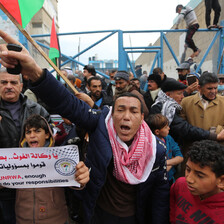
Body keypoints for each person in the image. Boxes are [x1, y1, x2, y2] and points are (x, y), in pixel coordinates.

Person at [0, 30, 170, 223]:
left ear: (141, 118)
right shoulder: (101, 124)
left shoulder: (156, 149)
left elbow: (160, 197)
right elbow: (68, 104)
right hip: (97, 214)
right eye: (120, 109)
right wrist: (36, 73)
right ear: (111, 114)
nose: (126, 117)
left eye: (133, 111)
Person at [17, 114, 89, 224]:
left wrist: (82, 177)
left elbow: (75, 182)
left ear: (46, 134)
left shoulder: (60, 156)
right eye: (28, 132)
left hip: (56, 219)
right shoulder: (15, 159)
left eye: (37, 131)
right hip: (23, 219)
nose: (32, 135)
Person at [0, 67, 50, 224]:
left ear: (21, 86)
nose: (9, 86)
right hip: (3, 188)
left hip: (32, 186)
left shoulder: (36, 109)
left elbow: (51, 140)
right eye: (3, 82)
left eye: (13, 82)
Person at [150, 78, 224, 144]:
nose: (182, 97)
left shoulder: (169, 105)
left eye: (215, 88)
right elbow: (184, 128)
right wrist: (213, 136)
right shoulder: (165, 108)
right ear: (168, 94)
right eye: (179, 94)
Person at [170, 140, 224, 223]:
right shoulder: (180, 185)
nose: (189, 179)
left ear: (221, 181)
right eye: (188, 170)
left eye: (200, 176)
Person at [180, 71, 224, 151]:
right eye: (209, 88)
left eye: (215, 88)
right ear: (199, 88)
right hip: (192, 151)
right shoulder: (186, 102)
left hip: (216, 151)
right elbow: (182, 128)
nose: (213, 91)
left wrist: (218, 131)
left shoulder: (223, 102)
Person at [147, 114, 183, 185]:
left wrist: (164, 163)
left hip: (170, 178)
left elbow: (180, 157)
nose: (169, 128)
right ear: (157, 132)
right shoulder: (150, 144)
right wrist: (172, 160)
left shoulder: (168, 138)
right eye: (166, 127)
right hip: (156, 182)